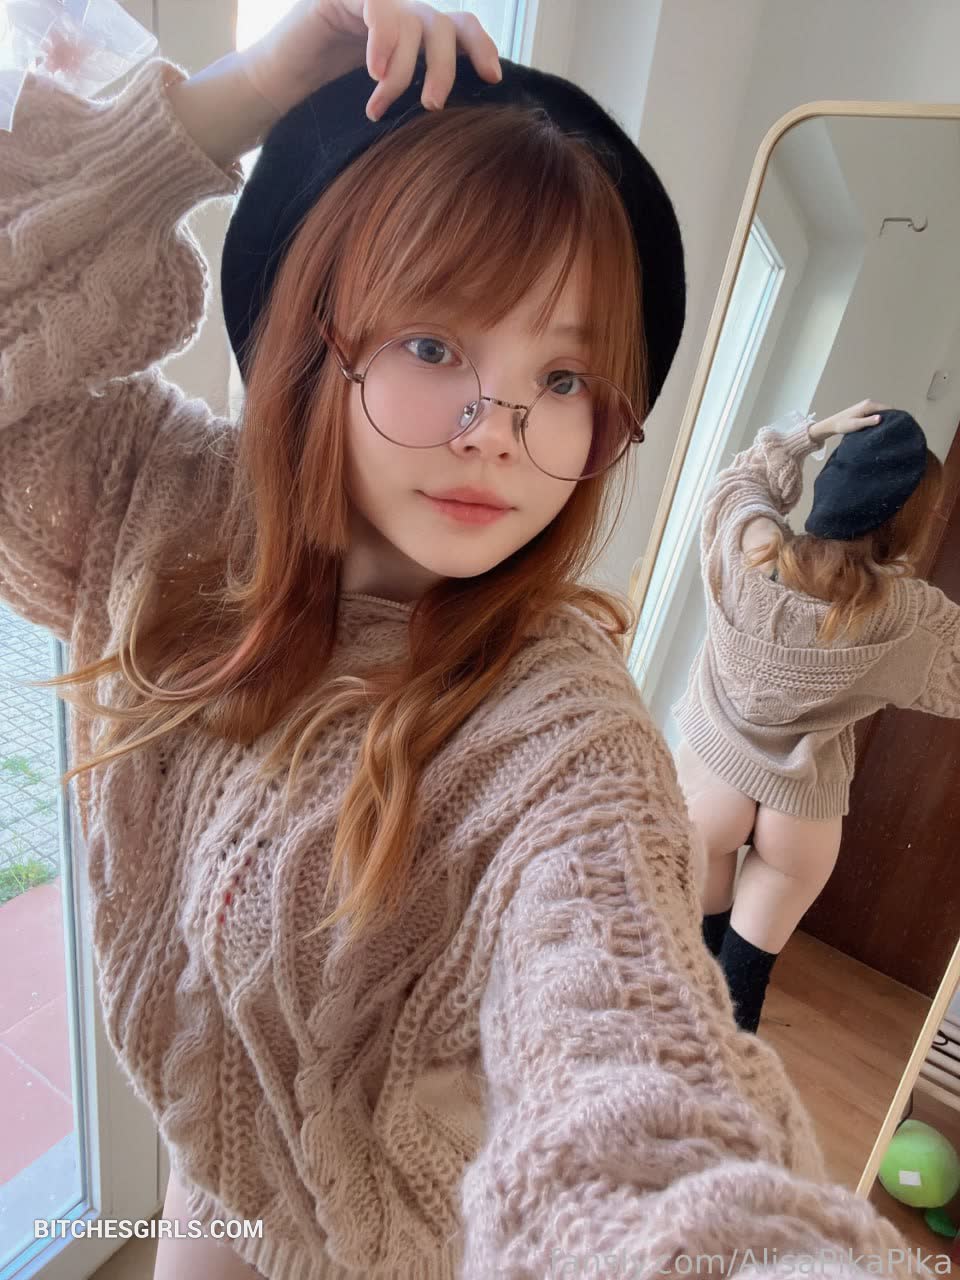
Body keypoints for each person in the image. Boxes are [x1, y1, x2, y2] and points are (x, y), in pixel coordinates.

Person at [0, 1, 920, 1275]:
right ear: (311, 337)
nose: (498, 431)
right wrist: (235, 97)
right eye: (434, 343)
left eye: (563, 379)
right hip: (209, 1185)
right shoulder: (159, 509)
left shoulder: (558, 735)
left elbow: (628, 1064)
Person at [674, 399, 959, 1034]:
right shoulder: (904, 616)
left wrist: (816, 432)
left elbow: (738, 481)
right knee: (737, 1004)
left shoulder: (749, 549)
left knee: (687, 973)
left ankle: (652, 1074)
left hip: (714, 784)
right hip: (801, 809)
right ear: (909, 526)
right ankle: (720, 1088)